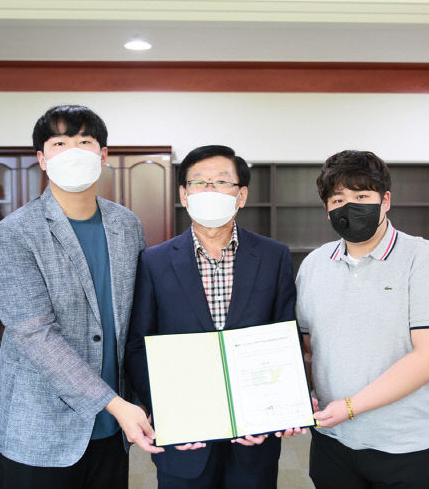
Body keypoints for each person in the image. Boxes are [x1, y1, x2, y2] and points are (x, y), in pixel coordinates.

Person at [0, 104, 162, 489]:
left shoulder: (126, 225)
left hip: (113, 430)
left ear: (103, 155)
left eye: (84, 142)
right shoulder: (14, 233)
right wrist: (115, 404)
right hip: (40, 428)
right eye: (60, 143)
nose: (73, 152)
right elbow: (35, 335)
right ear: (42, 159)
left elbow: (137, 320)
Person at [126, 145, 300, 489]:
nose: (210, 190)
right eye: (199, 182)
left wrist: (282, 407)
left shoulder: (273, 256)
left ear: (241, 195)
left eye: (221, 182)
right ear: (184, 194)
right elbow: (139, 346)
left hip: (255, 434)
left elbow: (285, 336)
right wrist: (166, 412)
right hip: (185, 435)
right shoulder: (155, 261)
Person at [296, 150, 429, 488]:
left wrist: (351, 406)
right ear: (327, 209)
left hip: (406, 442)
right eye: (338, 199)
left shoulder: (423, 258)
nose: (349, 206)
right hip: (333, 438)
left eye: (361, 196)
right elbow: (309, 347)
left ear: (385, 200)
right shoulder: (314, 265)